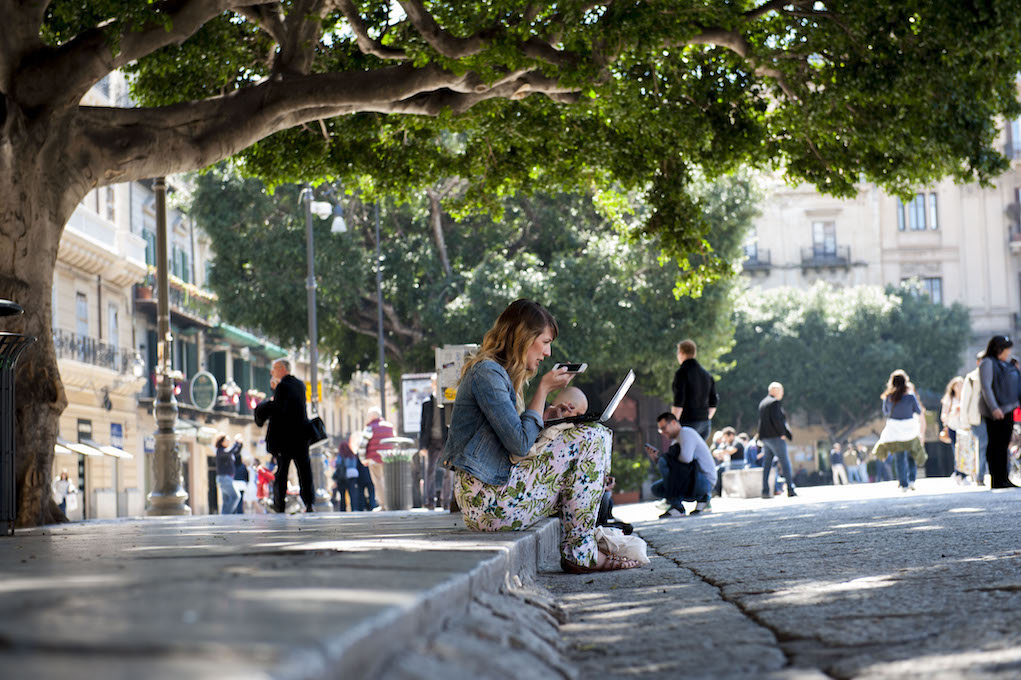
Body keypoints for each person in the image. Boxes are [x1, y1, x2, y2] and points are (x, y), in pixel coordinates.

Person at [442, 298, 642, 574]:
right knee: (592, 436)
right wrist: (543, 390)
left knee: (588, 434)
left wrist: (546, 417)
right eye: (545, 342)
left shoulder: (501, 376)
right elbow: (520, 446)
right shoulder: (486, 373)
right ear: (524, 337)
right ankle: (581, 552)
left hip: (492, 496)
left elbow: (516, 437)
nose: (548, 352)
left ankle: (584, 544)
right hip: (487, 500)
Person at [254, 359, 316, 512]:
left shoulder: (283, 386)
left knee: (282, 472)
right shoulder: (300, 385)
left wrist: (269, 401)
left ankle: (279, 504)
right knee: (304, 471)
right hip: (301, 438)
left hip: (286, 439)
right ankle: (309, 503)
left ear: (282, 369)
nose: (271, 372)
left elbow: (279, 410)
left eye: (274, 368)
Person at [977, 335, 1021, 489]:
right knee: (995, 445)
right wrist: (994, 408)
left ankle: (1004, 477)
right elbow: (986, 387)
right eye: (1006, 350)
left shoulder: (1007, 364)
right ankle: (996, 479)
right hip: (994, 411)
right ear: (999, 349)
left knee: (1004, 445)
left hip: (1008, 409)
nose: (1008, 353)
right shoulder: (987, 363)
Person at [873, 370, 926, 492]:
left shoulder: (887, 397)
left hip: (895, 431)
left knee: (899, 458)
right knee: (912, 455)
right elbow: (918, 411)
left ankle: (903, 484)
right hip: (910, 430)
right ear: (906, 382)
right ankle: (912, 480)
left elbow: (886, 412)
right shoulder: (911, 397)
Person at [654, 413, 716, 515]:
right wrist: (656, 459)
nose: (663, 432)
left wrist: (667, 460)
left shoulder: (686, 433)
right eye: (660, 430)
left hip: (705, 481)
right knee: (656, 488)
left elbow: (686, 459)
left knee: (664, 463)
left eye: (664, 428)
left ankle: (678, 505)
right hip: (692, 479)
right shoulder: (676, 440)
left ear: (673, 423)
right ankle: (698, 500)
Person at [670, 339, 719, 440]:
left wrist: (672, 425)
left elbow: (679, 402)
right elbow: (713, 402)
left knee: (680, 453)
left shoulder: (682, 373)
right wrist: (704, 417)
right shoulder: (706, 375)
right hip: (705, 424)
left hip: (688, 422)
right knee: (698, 454)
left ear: (681, 353)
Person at [757, 382, 797, 498]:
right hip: (775, 437)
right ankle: (790, 489)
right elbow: (777, 420)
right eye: (781, 391)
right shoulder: (774, 403)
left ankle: (765, 490)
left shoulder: (763, 403)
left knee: (767, 465)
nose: (782, 393)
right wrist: (782, 433)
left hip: (766, 438)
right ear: (774, 391)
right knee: (785, 463)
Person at [418, 375, 449, 511]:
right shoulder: (427, 403)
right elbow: (423, 425)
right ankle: (429, 501)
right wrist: (422, 446)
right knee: (429, 470)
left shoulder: (447, 402)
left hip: (445, 441)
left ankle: (446, 500)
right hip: (431, 441)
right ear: (432, 385)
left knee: (448, 472)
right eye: (435, 383)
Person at [960, 351, 989, 486]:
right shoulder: (971, 378)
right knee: (982, 445)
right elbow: (965, 401)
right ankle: (980, 475)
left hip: (992, 416)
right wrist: (964, 422)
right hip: (977, 418)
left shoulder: (994, 375)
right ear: (978, 362)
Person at [359, 406, 395, 510]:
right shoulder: (389, 426)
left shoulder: (370, 427)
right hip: (388, 459)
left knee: (378, 481)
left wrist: (362, 459)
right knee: (388, 481)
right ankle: (391, 503)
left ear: (372, 416)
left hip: (374, 459)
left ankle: (383, 505)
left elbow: (362, 444)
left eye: (368, 415)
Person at [940, 376, 970, 484]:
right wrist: (954, 413)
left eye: (962, 385)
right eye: (957, 385)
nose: (960, 387)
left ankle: (963, 473)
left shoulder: (966, 398)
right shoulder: (949, 400)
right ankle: (959, 473)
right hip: (953, 427)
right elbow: (944, 416)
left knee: (965, 451)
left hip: (965, 427)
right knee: (956, 451)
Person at [333, 435, 363, 511]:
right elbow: (355, 464)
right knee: (352, 494)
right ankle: (354, 508)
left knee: (342, 495)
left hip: (343, 477)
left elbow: (338, 464)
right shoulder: (352, 455)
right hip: (353, 475)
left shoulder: (341, 455)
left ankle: (343, 509)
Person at [214, 433, 242, 514]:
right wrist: (236, 442)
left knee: (226, 501)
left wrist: (239, 444)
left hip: (227, 478)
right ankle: (226, 515)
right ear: (221, 442)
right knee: (236, 496)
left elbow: (236, 453)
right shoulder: (220, 451)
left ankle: (224, 517)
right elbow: (230, 451)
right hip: (224, 478)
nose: (229, 441)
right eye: (227, 440)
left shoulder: (225, 451)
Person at [232, 441, 249, 513]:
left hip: (235, 483)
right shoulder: (243, 466)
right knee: (240, 499)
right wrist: (246, 482)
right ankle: (240, 512)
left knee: (234, 498)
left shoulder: (233, 466)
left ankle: (233, 511)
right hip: (242, 484)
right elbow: (246, 475)